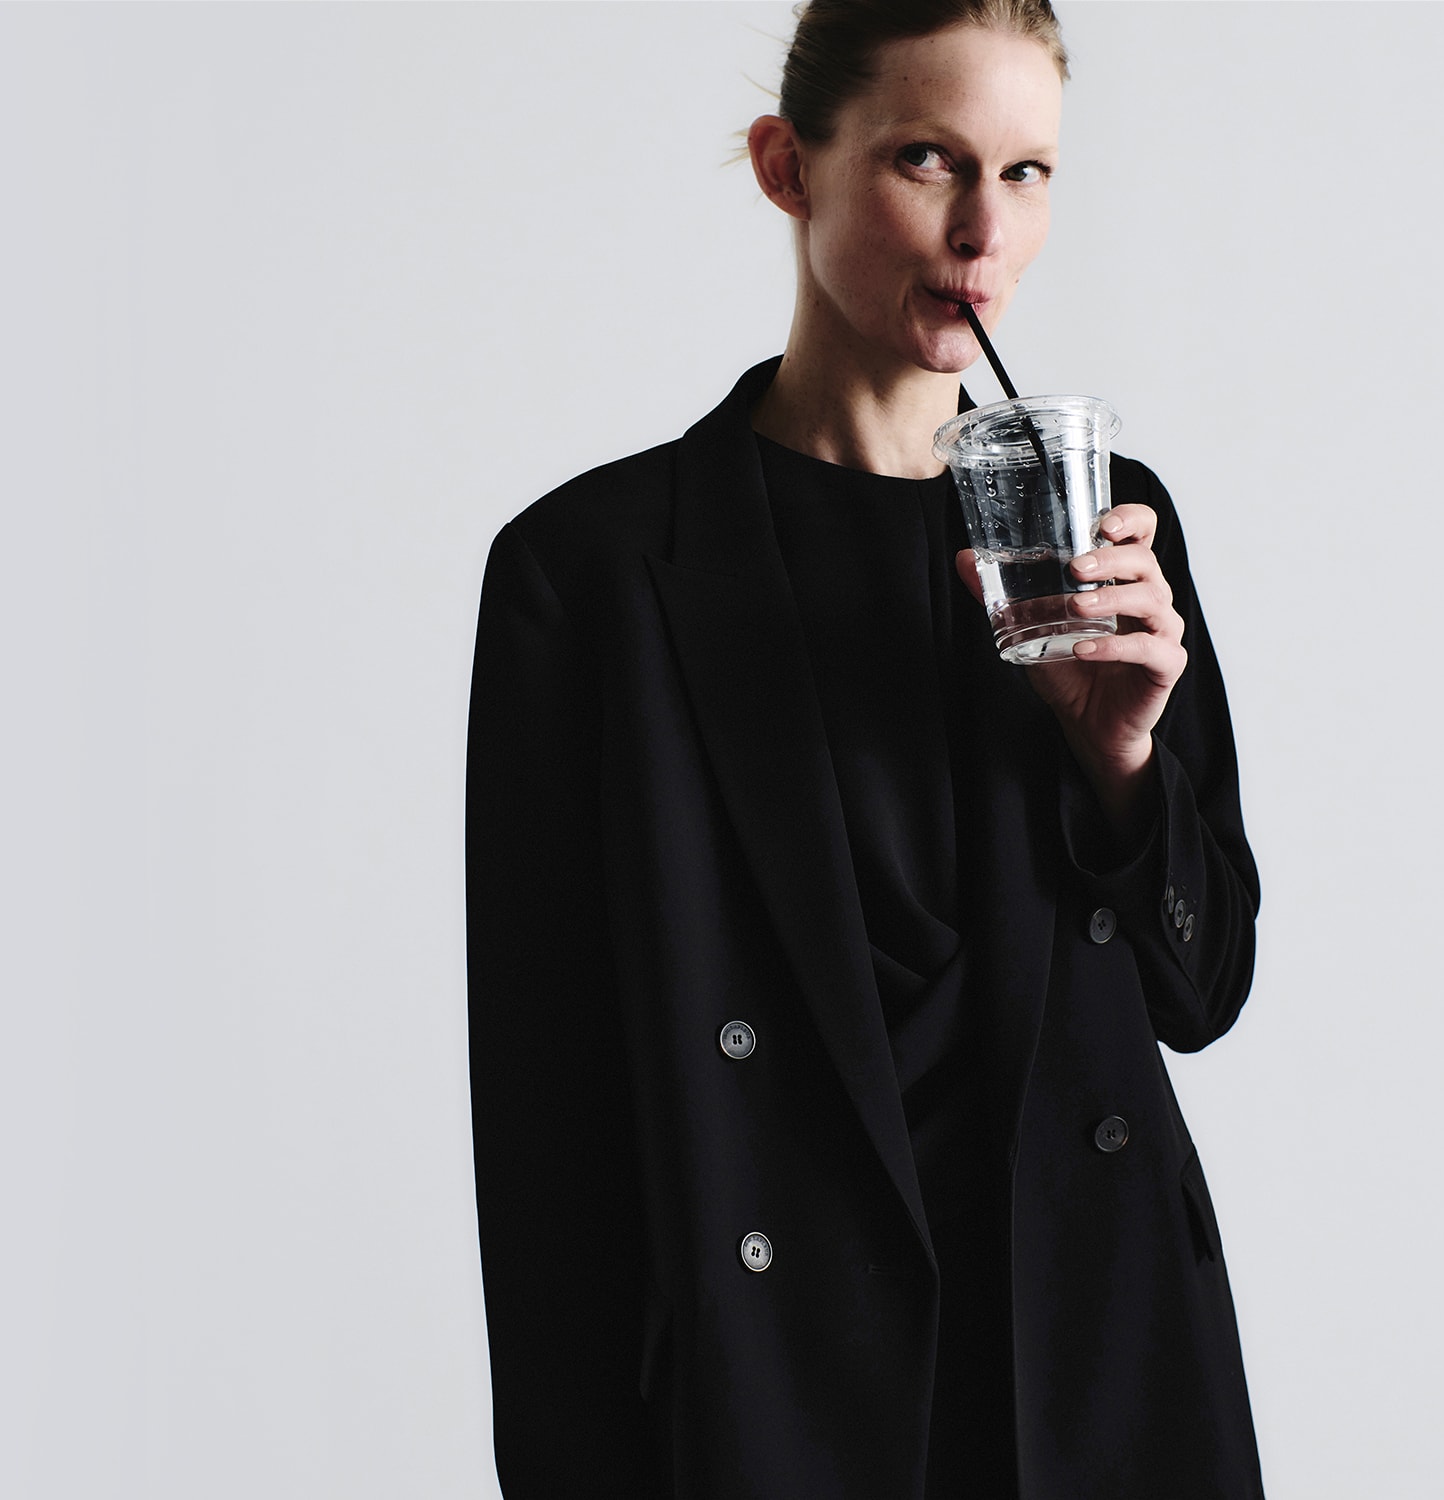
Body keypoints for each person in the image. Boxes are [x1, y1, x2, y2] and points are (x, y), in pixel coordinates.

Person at [466, 1, 1262, 1495]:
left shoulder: (1105, 525)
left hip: (1099, 1382)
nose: (983, 232)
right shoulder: (595, 576)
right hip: (778, 1404)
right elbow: (548, 1139)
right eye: (926, 159)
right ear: (790, 168)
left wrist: (1126, 765)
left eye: (1027, 173)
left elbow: (1203, 985)